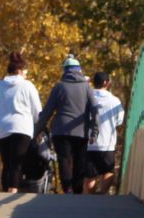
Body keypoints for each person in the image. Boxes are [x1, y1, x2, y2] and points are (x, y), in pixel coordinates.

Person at [34, 54, 99, 194]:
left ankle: (67, 189)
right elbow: (95, 110)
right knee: (79, 162)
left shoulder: (59, 87)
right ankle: (77, 189)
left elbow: (47, 112)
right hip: (81, 132)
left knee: (65, 160)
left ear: (65, 70)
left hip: (60, 132)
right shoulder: (87, 88)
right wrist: (95, 131)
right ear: (79, 70)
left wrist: (37, 131)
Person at [0, 52, 42, 193]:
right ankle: (12, 192)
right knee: (17, 163)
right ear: (20, 71)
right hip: (22, 127)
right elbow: (37, 110)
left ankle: (5, 191)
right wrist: (39, 127)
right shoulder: (27, 85)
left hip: (2, 127)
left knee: (7, 163)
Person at [85, 72, 125, 194]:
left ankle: (91, 196)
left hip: (89, 142)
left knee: (89, 174)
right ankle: (102, 194)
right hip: (107, 142)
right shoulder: (114, 101)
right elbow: (119, 121)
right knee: (108, 171)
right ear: (106, 83)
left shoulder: (87, 98)